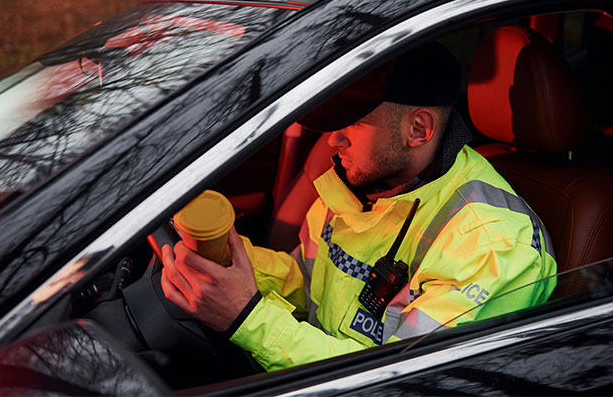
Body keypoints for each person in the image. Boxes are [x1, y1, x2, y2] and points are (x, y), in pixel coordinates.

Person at [160, 42, 557, 372]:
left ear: (418, 129)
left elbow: (397, 378)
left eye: (353, 124)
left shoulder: (492, 246)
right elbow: (308, 282)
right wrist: (230, 261)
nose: (333, 141)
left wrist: (248, 319)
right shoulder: (361, 186)